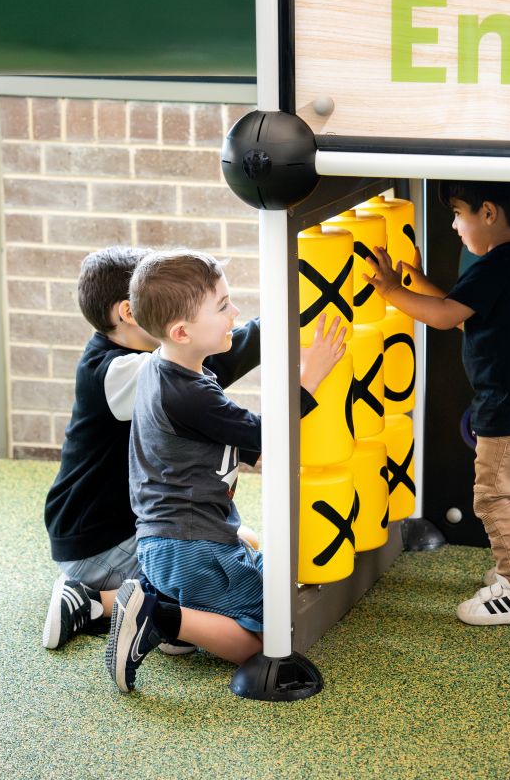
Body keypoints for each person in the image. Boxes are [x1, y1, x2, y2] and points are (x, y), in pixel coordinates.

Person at [105, 249, 345, 692]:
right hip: (189, 546)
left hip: (175, 541)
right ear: (182, 331)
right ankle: (160, 616)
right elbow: (266, 434)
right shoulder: (187, 393)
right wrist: (310, 379)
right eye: (222, 307)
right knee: (269, 636)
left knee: (257, 558)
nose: (235, 312)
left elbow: (207, 441)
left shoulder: (174, 372)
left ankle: (178, 611)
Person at [41, 246, 261, 651]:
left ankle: (166, 615)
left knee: (240, 539)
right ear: (129, 312)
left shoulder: (136, 358)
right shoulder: (122, 371)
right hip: (100, 541)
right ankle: (95, 602)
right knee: (225, 581)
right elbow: (204, 373)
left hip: (121, 525)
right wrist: (273, 326)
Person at [364, 181, 510, 626]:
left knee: (493, 498)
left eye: (457, 213)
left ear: (487, 213)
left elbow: (444, 316)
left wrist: (393, 290)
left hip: (508, 412)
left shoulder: (494, 267)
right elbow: (460, 312)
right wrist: (415, 281)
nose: (453, 225)